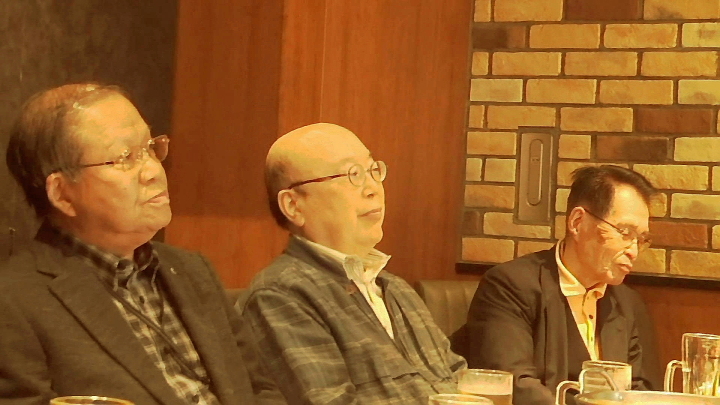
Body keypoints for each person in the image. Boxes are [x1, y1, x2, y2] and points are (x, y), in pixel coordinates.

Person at [0, 83, 276, 405]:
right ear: (62, 194)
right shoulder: (15, 301)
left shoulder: (192, 270)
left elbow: (261, 390)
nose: (154, 171)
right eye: (125, 158)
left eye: (150, 148)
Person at [237, 123, 466, 404]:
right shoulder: (279, 296)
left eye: (373, 170)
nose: (373, 189)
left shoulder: (396, 289)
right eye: (352, 175)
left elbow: (459, 380)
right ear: (293, 206)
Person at [465, 165, 660, 405]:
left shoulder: (628, 303)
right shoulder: (510, 286)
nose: (633, 251)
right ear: (578, 222)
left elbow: (641, 390)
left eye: (641, 239)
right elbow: (515, 386)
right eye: (625, 232)